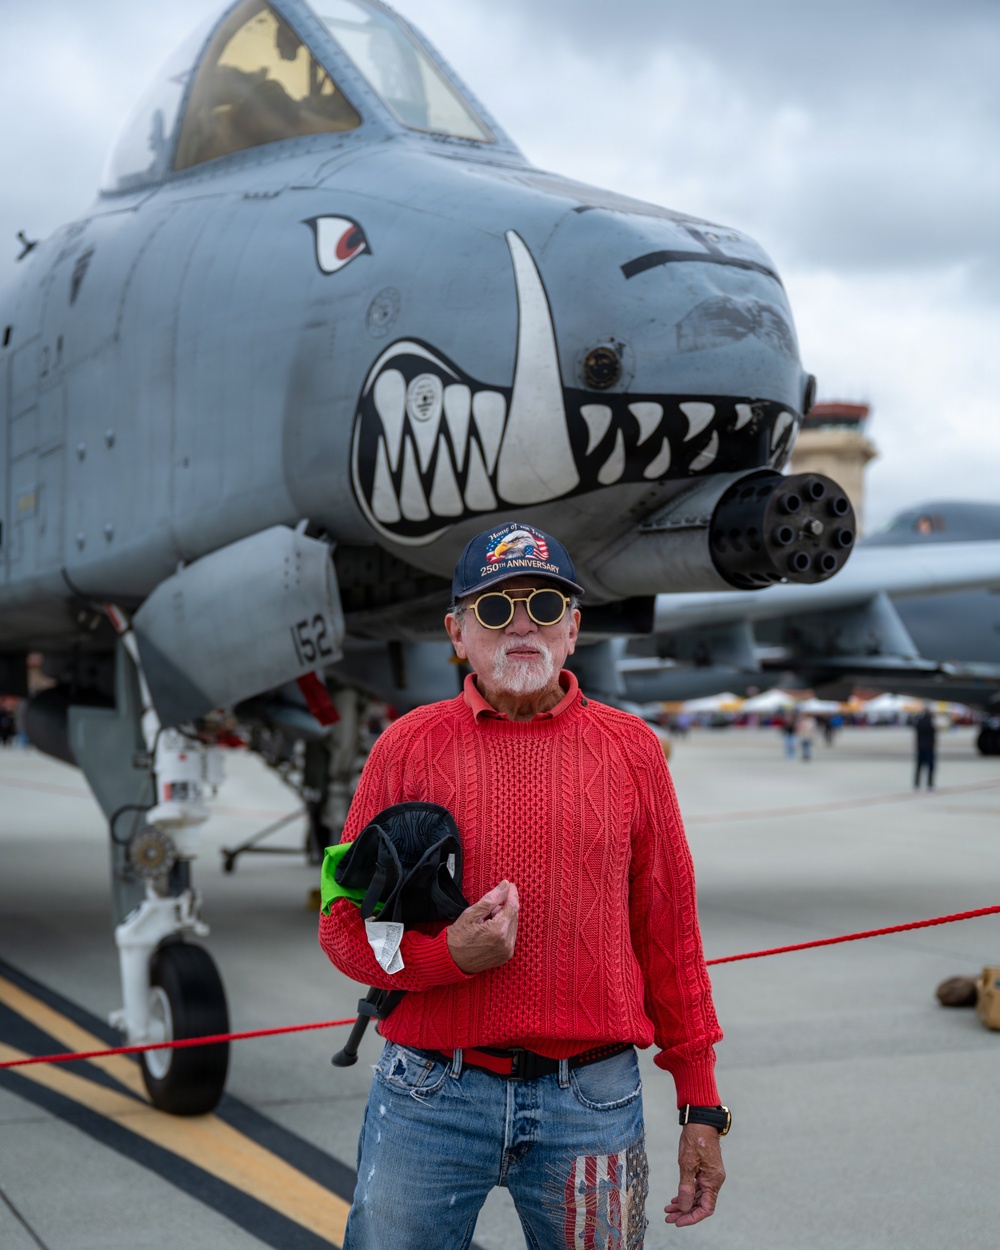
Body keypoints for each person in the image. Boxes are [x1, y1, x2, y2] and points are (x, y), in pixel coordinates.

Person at [319, 520, 727, 1249]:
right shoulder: (403, 748)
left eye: (544, 605)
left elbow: (671, 935)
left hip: (593, 1103)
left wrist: (701, 1103)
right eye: (495, 607)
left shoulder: (633, 752)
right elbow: (343, 928)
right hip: (430, 1097)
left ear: (572, 629)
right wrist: (445, 958)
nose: (522, 625)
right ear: (456, 632)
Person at [914, 705, 937, 790]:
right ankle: (930, 784)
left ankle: (916, 783)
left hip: (920, 746)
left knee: (919, 766)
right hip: (929, 747)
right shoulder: (931, 722)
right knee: (930, 766)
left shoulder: (919, 721)